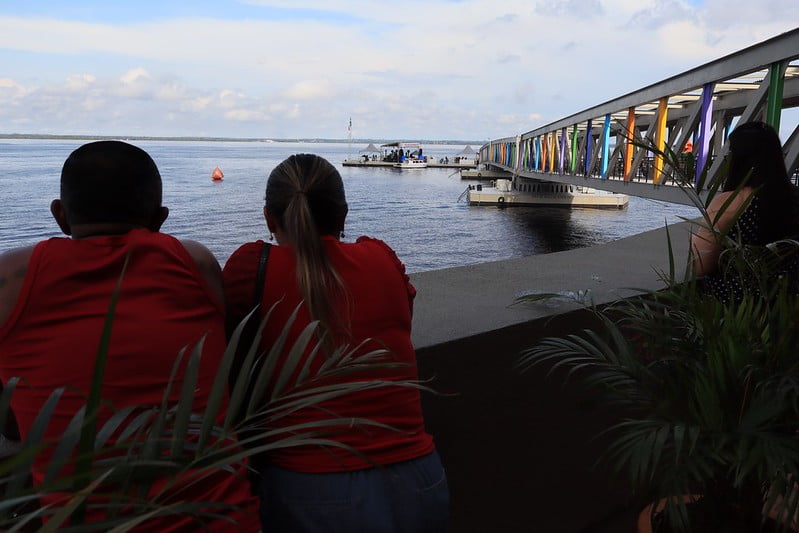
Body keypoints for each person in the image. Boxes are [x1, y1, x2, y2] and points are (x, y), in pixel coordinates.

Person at [0, 140, 258, 530]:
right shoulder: (196, 262)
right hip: (221, 518)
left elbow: (11, 422)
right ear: (160, 218)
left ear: (59, 215)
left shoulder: (12, 278)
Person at [223, 153, 449, 532]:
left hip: (312, 484)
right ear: (342, 215)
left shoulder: (252, 267)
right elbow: (398, 326)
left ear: (268, 217)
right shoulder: (382, 259)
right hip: (420, 475)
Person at [691, 121, 799, 301]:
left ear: (736, 160)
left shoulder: (731, 202)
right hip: (787, 302)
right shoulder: (795, 198)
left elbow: (700, 265)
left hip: (740, 305)